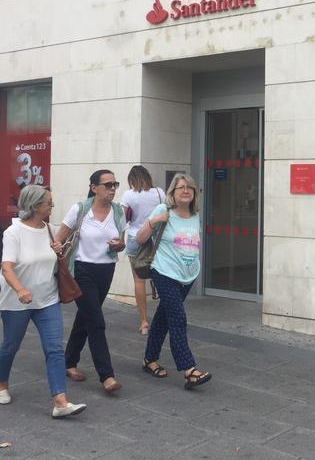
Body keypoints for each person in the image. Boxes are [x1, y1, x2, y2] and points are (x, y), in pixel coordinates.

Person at [0, 184, 87, 418]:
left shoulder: (50, 230)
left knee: (55, 348)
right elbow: (6, 268)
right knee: (11, 345)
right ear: (34, 206)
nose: (52, 206)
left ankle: (60, 401)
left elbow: (58, 259)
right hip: (17, 302)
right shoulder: (13, 232)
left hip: (47, 299)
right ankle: (0, 383)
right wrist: (20, 289)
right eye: (48, 203)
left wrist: (59, 251)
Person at [134, 174, 211, 389]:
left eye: (189, 188)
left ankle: (149, 359)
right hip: (164, 272)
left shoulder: (195, 214)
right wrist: (154, 221)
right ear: (172, 192)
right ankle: (189, 369)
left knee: (163, 317)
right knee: (178, 317)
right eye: (180, 187)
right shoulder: (163, 210)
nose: (185, 191)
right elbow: (139, 238)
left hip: (188, 276)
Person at [56, 169, 126, 393]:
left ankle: (69, 361)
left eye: (115, 184)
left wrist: (119, 245)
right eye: (108, 185)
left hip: (106, 270)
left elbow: (122, 243)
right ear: (94, 188)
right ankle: (107, 375)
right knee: (96, 320)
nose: (113, 189)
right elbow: (59, 239)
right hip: (81, 270)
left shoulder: (119, 212)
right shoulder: (79, 210)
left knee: (85, 316)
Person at [120, 165, 165, 335]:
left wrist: (120, 239)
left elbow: (123, 220)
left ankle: (144, 322)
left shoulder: (128, 195)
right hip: (156, 240)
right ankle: (166, 317)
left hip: (135, 238)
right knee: (162, 278)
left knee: (139, 281)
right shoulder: (159, 193)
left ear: (132, 179)